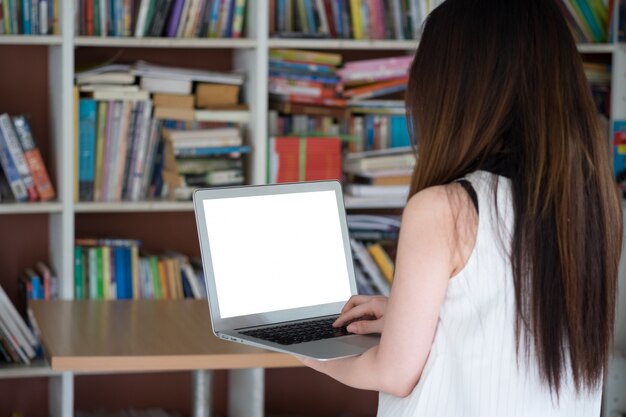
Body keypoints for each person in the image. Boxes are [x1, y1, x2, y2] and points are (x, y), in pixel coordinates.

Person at [299, 0, 623, 415]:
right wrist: (406, 314)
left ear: (450, 89)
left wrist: (309, 353)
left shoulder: (444, 209)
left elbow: (394, 373)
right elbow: (507, 325)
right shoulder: (595, 204)